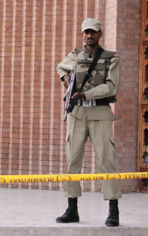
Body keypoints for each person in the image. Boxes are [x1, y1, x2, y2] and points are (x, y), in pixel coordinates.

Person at [56, 18, 121, 227]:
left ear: (100, 34)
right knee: (72, 159)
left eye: (93, 32)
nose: (89, 36)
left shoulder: (111, 59)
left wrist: (84, 93)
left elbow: (111, 87)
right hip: (77, 113)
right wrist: (66, 80)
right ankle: (72, 208)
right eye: (86, 32)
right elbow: (60, 67)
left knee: (106, 160)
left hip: (100, 112)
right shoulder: (75, 55)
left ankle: (113, 210)